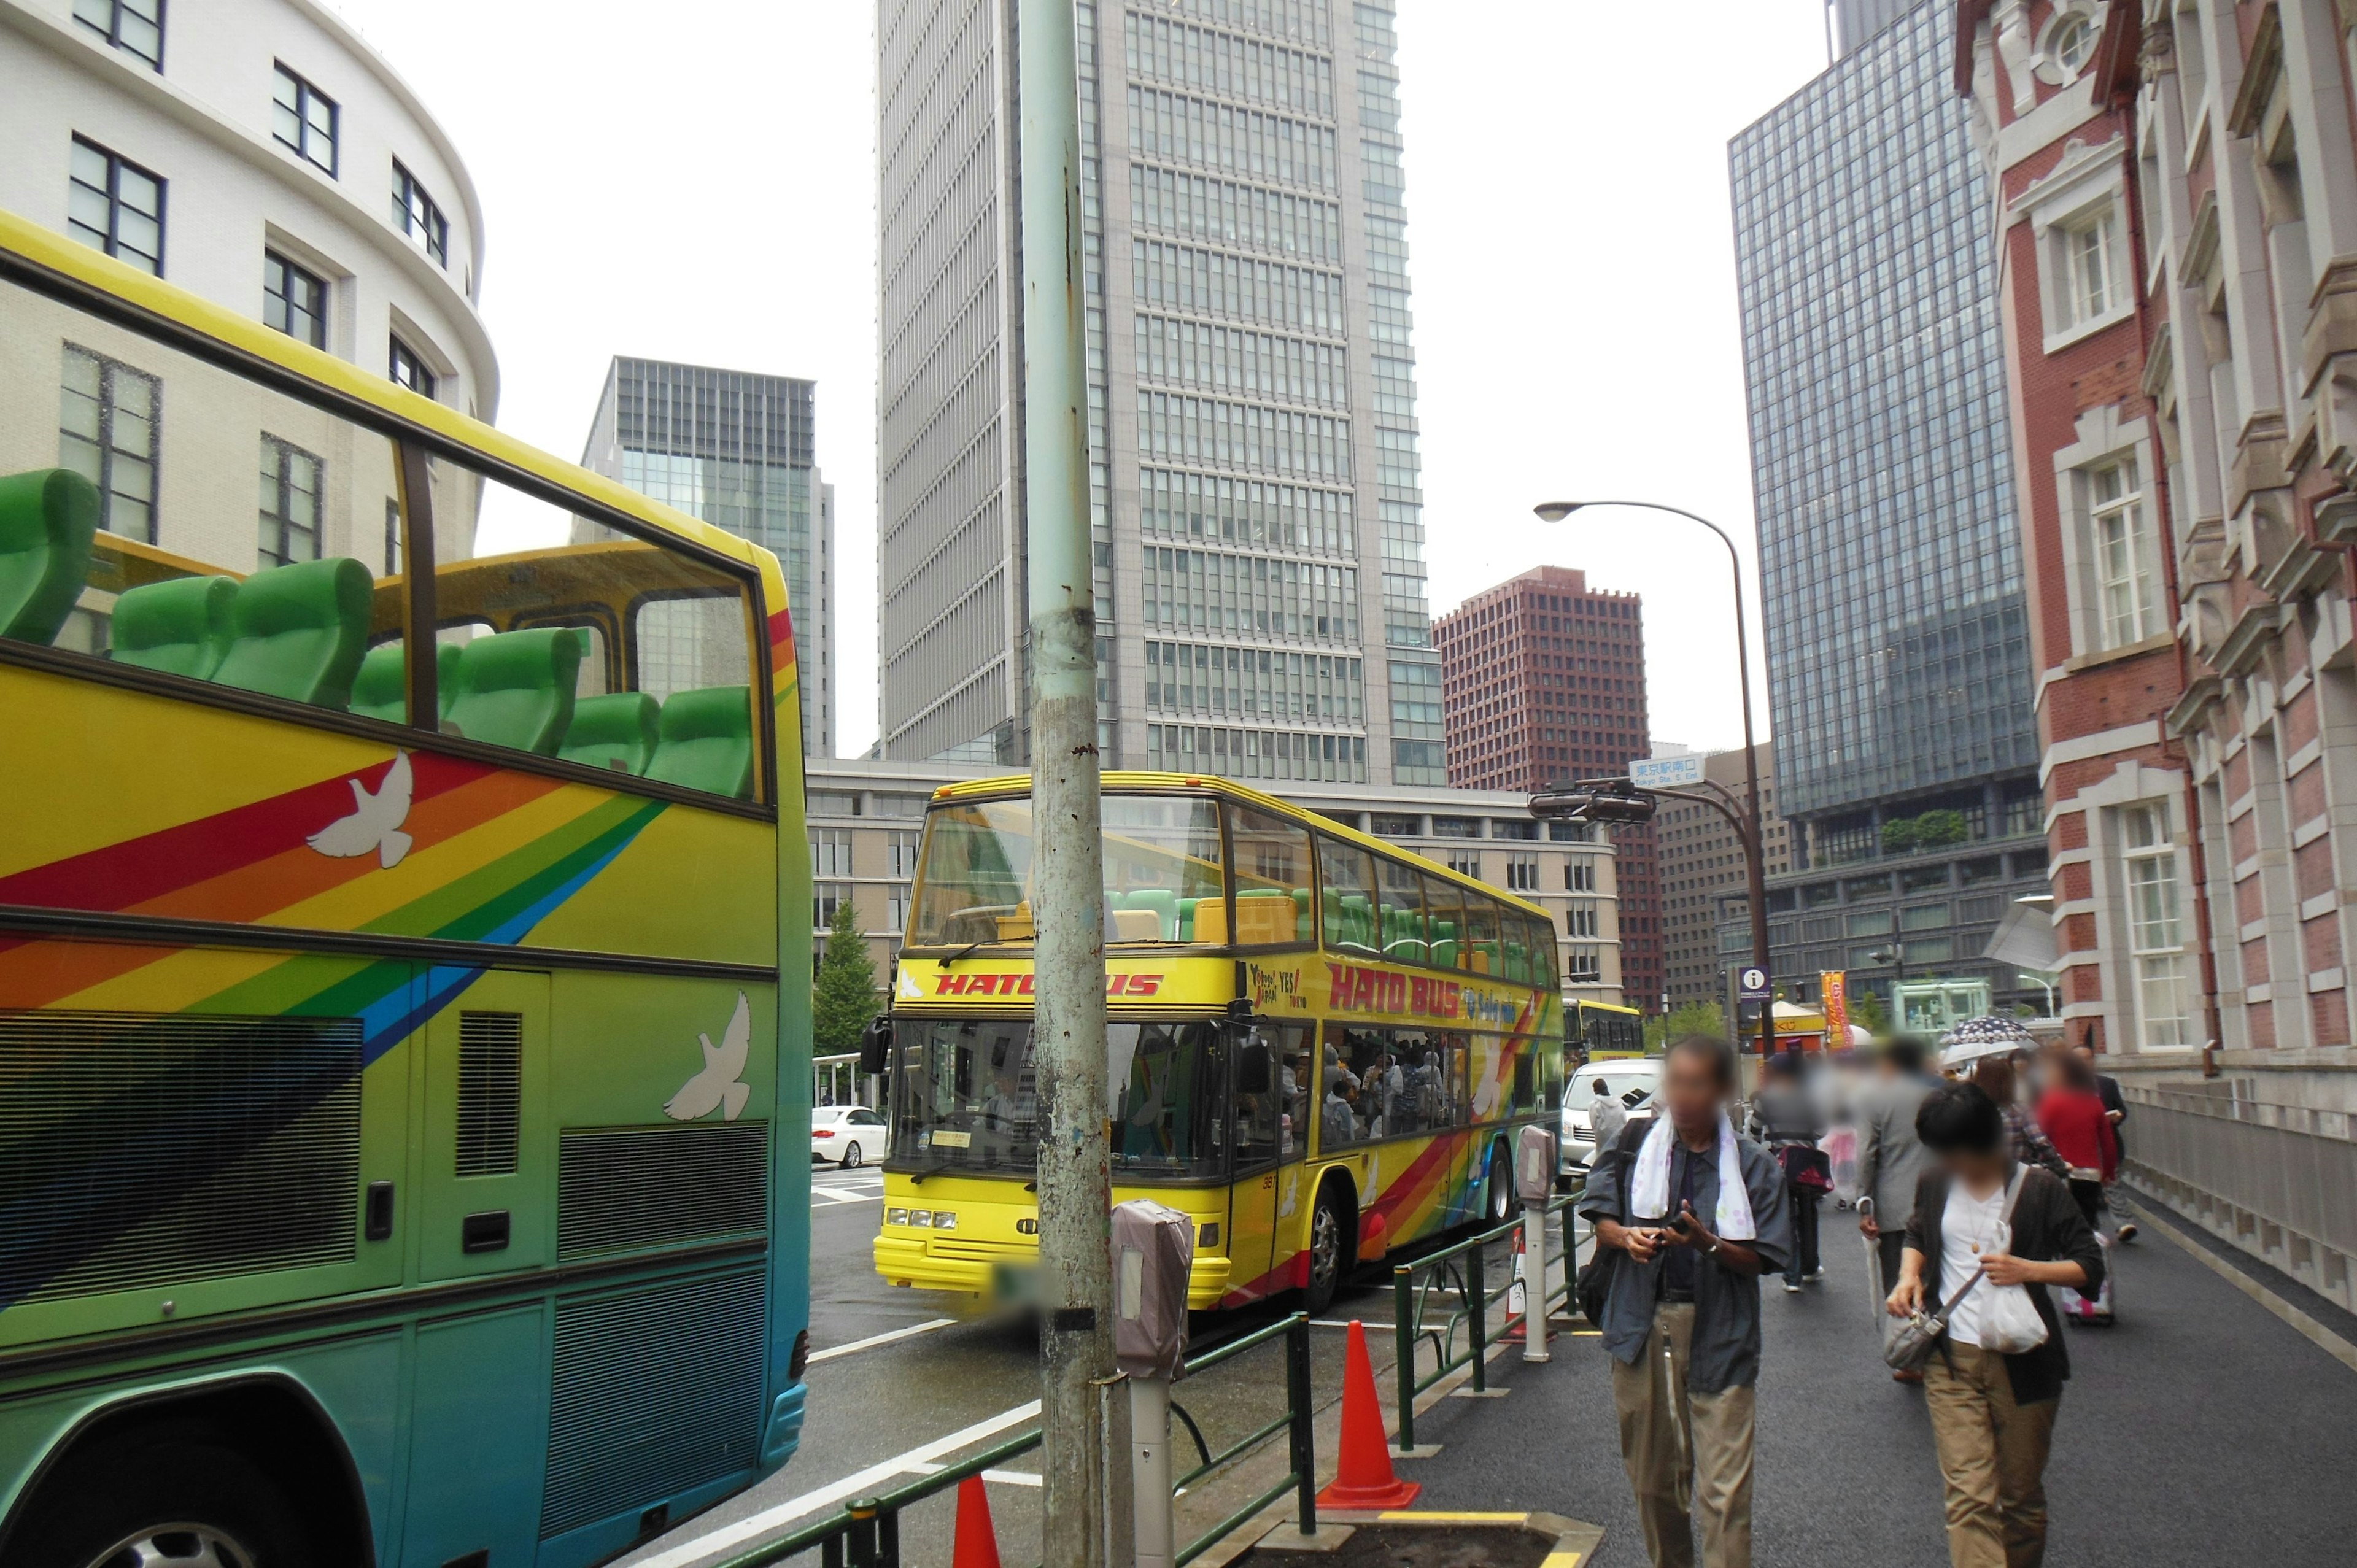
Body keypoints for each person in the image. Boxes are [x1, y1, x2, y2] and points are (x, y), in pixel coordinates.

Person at [1577, 1035, 1791, 1568]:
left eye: (1697, 1083)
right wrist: (1624, 1236)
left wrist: (1708, 1243)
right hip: (1642, 1327)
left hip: (1723, 1331)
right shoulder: (1633, 1144)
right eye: (1676, 1081)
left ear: (1721, 1090)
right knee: (1654, 1483)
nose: (1684, 1095)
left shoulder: (1754, 1164)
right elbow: (1599, 1215)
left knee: (1724, 1495)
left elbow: (1765, 1257)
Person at [1889, 1083, 2103, 1568]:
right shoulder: (1937, 1180)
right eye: (1941, 1151)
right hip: (1952, 1360)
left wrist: (2028, 1270)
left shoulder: (2040, 1188)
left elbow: (2090, 1266)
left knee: (2020, 1499)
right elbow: (1919, 1230)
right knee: (1969, 1496)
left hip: (2024, 1361)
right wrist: (1908, 1276)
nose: (1950, 1161)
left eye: (1956, 1151)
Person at [1856, 1036, 1938, 1380]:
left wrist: (1865, 1203)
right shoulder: (1941, 1092)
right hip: (1941, 1199)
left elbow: (1866, 1154)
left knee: (1899, 1279)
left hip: (1895, 1204)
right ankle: (1945, 1351)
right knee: (1940, 1275)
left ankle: (1911, 1358)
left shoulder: (1875, 1097)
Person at [1746, 1052, 1827, 1292]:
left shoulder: (1765, 1099)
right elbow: (1822, 1130)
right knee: (1808, 1216)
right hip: (1809, 1166)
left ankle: (1792, 1277)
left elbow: (1753, 1133)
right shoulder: (1809, 1098)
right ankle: (1810, 1267)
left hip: (1780, 1164)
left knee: (1787, 1217)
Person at [2070, 1040, 2135, 1243]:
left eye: (2088, 1059)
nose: (2084, 1063)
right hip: (2080, 1146)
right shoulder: (2065, 1088)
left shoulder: (2107, 1084)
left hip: (2107, 1141)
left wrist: (2118, 1116)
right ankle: (2087, 1226)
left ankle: (2123, 1224)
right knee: (2083, 1189)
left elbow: (2122, 1109)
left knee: (2112, 1182)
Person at [1970, 1056, 2066, 1180]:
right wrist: (2057, 1164)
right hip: (2017, 1178)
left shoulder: (1971, 1111)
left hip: (1982, 1179)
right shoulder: (2020, 1111)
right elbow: (2040, 1141)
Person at [1589, 1075, 1629, 1156]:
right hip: (1618, 1140)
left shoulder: (1594, 1105)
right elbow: (1624, 1120)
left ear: (1595, 1090)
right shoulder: (1619, 1103)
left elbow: (1593, 1124)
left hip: (1602, 1141)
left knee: (1603, 1161)